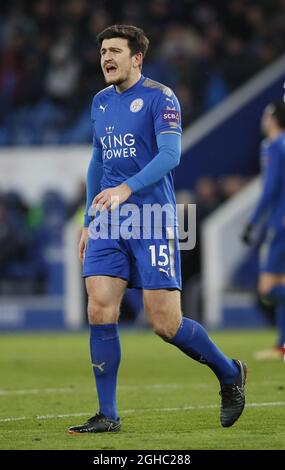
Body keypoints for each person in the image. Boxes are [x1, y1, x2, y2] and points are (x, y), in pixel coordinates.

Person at [68, 24, 246, 434]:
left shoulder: (161, 98)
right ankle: (107, 414)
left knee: (165, 323)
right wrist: (89, 220)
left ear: (137, 58)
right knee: (99, 308)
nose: (106, 58)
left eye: (115, 51)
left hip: (152, 218)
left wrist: (126, 189)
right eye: (102, 52)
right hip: (110, 220)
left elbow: (171, 155)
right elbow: (97, 160)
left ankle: (229, 372)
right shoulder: (99, 102)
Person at [242, 102, 285, 360]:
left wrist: (253, 222)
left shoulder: (272, 146)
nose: (263, 118)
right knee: (280, 284)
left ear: (274, 119)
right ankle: (282, 345)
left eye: (267, 114)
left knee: (267, 289)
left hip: (278, 225)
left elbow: (269, 189)